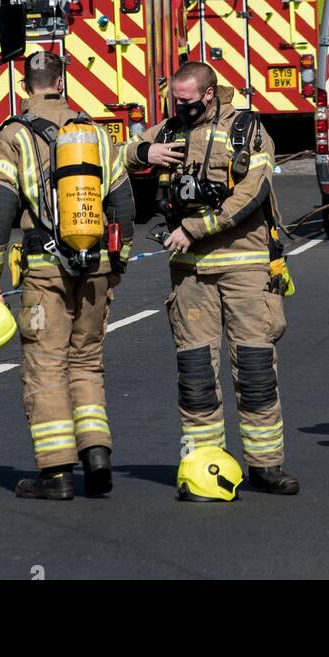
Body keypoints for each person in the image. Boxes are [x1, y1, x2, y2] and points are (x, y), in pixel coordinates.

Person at [124, 61, 299, 495]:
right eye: (174, 100)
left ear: (208, 94)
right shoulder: (169, 130)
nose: (179, 107)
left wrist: (196, 228)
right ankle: (205, 465)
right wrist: (145, 154)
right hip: (190, 274)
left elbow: (253, 191)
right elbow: (118, 154)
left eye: (186, 101)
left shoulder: (246, 130)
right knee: (196, 372)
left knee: (255, 368)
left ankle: (266, 465)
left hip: (245, 267)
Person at [0, 50, 134, 499]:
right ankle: (97, 455)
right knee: (86, 362)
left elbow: (1, 210)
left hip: (46, 269)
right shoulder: (94, 132)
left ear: (25, 87)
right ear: (62, 83)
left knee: (46, 366)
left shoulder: (14, 135)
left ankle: (57, 473)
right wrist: (119, 262)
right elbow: (123, 202)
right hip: (97, 263)